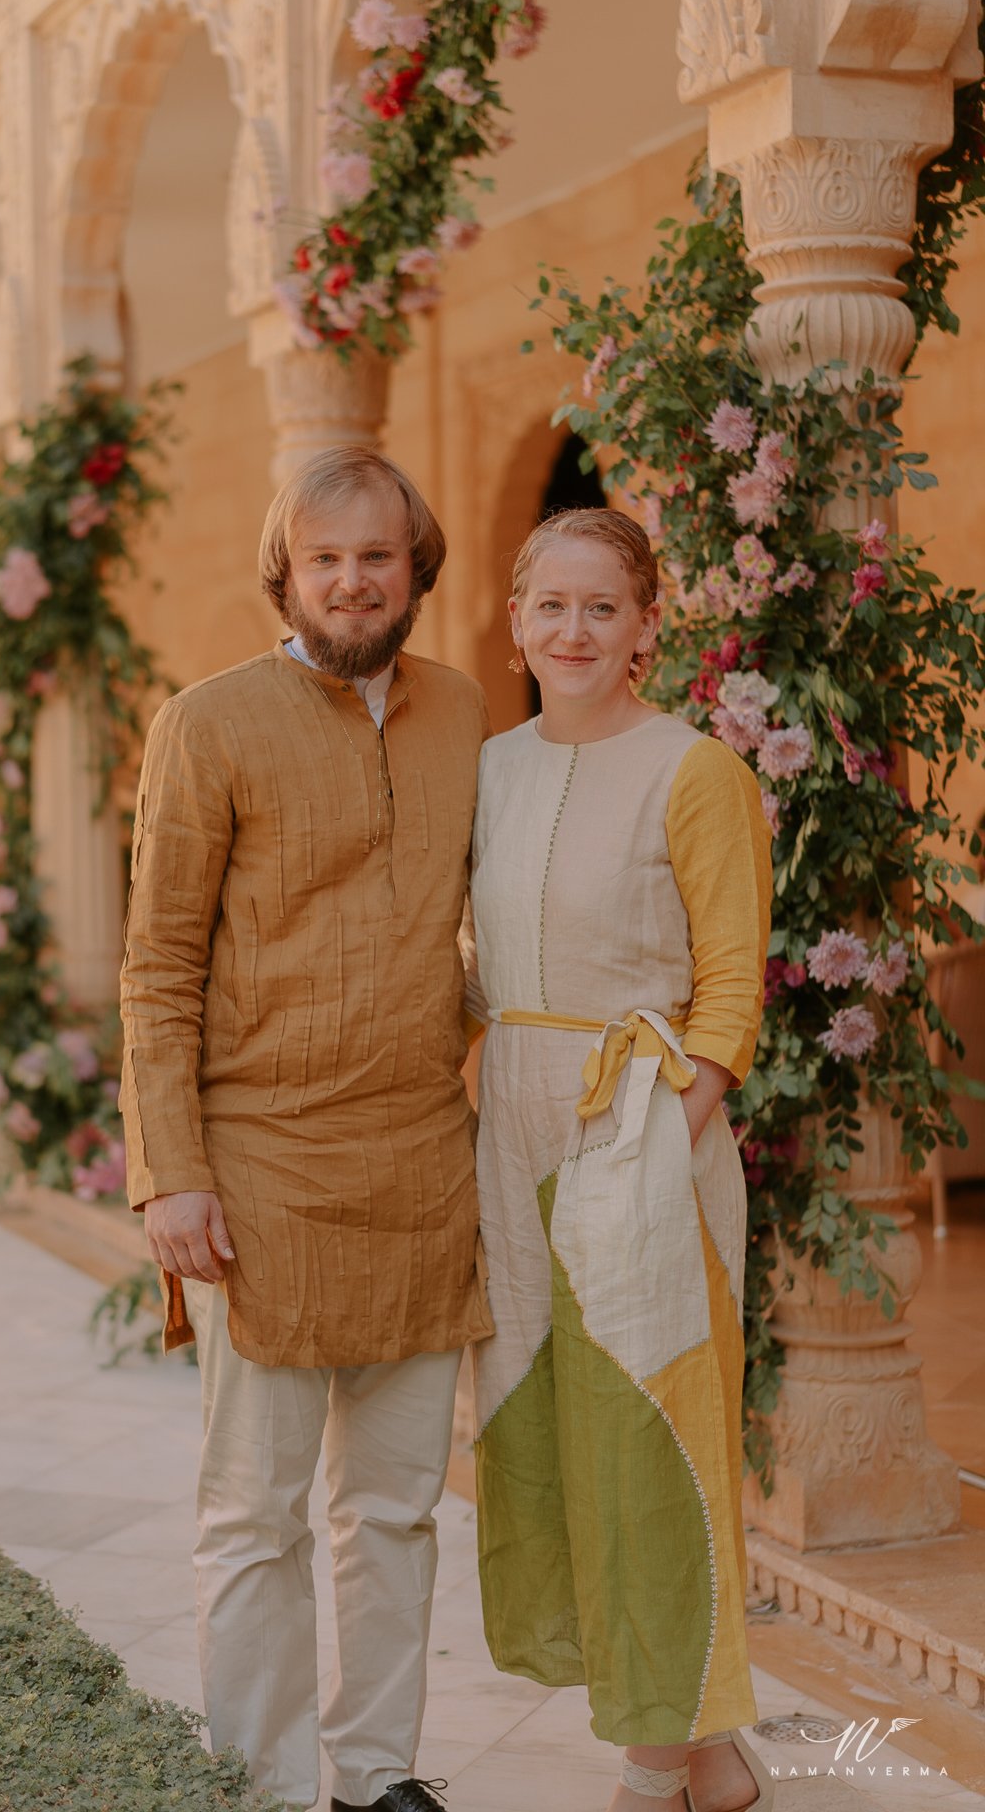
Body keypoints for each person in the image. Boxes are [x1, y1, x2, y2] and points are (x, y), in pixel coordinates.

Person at [119, 445, 493, 1812]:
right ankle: (262, 1787)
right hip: (259, 1172)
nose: (352, 582)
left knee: (392, 1509)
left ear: (416, 569)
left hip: (416, 1168)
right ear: (287, 572)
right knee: (254, 1516)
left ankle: (375, 1774)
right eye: (326, 559)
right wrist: (171, 1175)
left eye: (377, 557)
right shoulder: (205, 725)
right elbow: (156, 967)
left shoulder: (461, 714)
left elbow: (483, 929)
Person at [466, 507, 775, 1812]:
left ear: (648, 626)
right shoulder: (486, 768)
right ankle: (713, 1758)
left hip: (643, 1131)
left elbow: (732, 982)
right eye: (553, 606)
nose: (575, 631)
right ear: (516, 617)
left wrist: (668, 1132)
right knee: (543, 1427)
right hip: (512, 1137)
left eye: (605, 607)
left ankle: (657, 1768)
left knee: (652, 1441)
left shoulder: (693, 769)